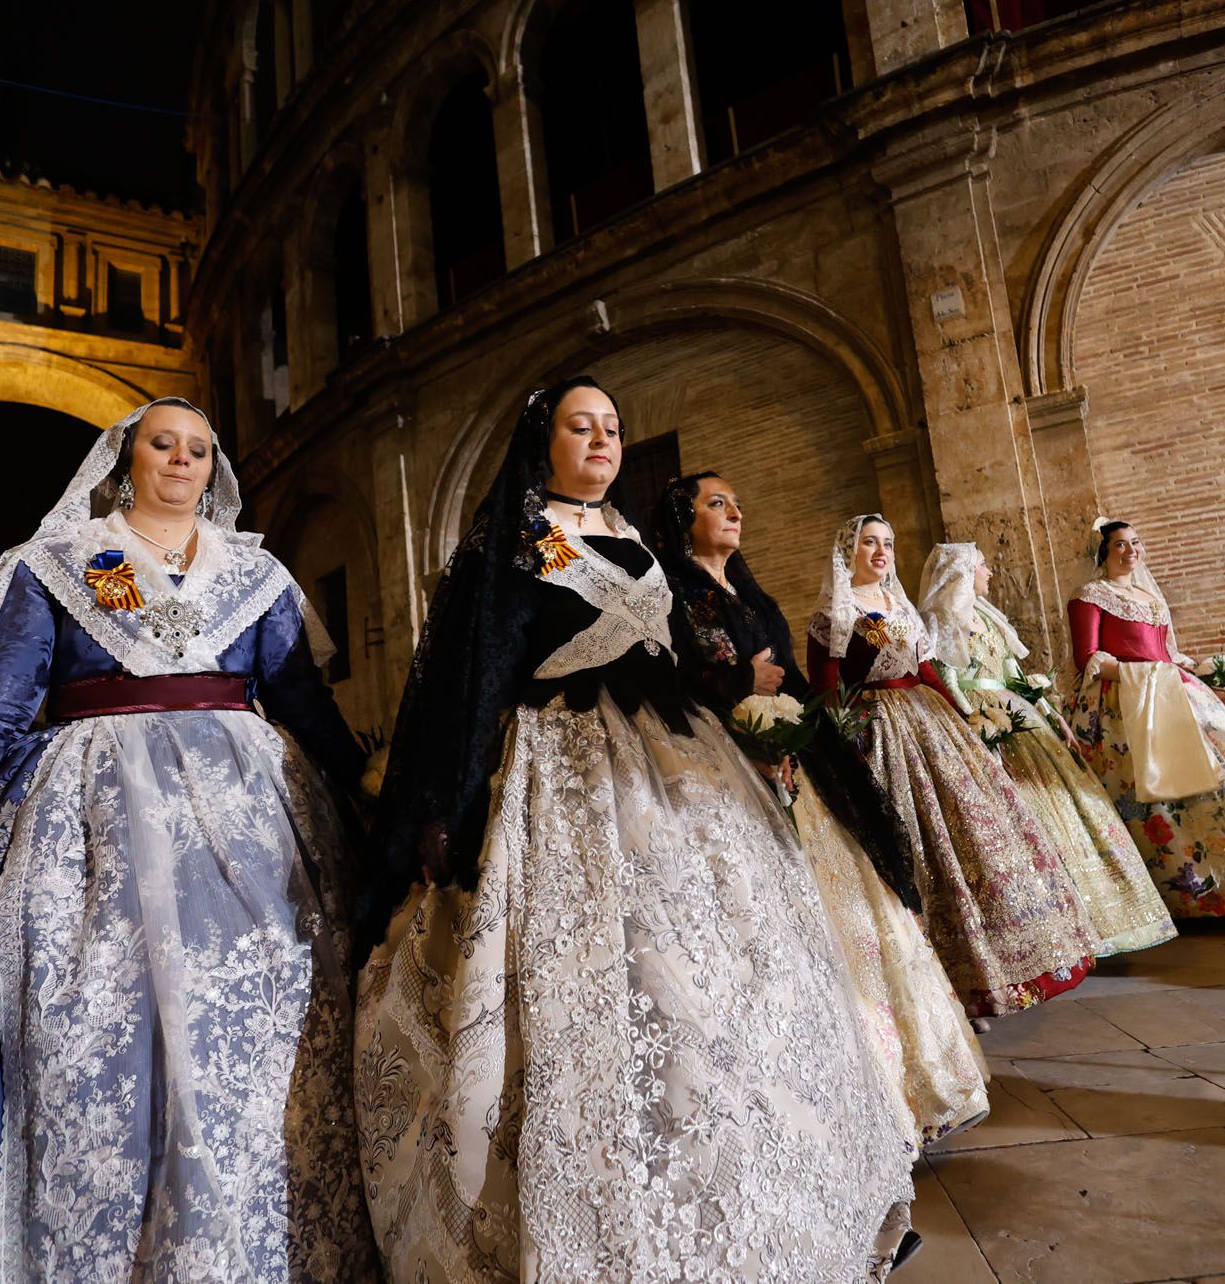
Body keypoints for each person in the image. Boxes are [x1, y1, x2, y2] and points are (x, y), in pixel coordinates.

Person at [0, 398, 377, 1282]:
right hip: (88, 820)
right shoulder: (54, 564)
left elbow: (303, 702)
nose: (182, 459)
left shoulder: (259, 573)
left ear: (214, 470)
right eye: (162, 443)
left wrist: (365, 803)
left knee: (267, 1022)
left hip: (253, 825)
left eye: (200, 448)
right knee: (93, 1029)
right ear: (125, 459)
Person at [356, 381, 916, 1281]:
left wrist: (743, 698)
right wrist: (446, 805)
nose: (602, 440)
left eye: (612, 428)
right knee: (619, 969)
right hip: (567, 772)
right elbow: (474, 676)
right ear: (544, 443)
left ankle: (763, 1174)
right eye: (581, 427)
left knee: (728, 963)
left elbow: (679, 656)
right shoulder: (512, 544)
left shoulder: (638, 541)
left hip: (679, 764)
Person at [650, 472, 988, 1151]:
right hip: (728, 771)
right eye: (717, 502)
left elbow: (801, 685)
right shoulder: (675, 595)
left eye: (733, 498)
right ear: (682, 517)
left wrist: (803, 736)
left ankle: (918, 1087)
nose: (735, 509)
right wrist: (745, 691)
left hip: (793, 769)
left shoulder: (748, 591)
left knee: (864, 920)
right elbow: (674, 678)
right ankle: (848, 1118)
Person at [807, 515, 1099, 1019]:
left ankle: (991, 977)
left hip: (930, 720)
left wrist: (966, 718)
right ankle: (942, 992)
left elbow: (926, 670)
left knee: (974, 835)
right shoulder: (836, 610)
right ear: (848, 551)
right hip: (877, 728)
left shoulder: (898, 604)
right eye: (870, 543)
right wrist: (844, 744)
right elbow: (827, 684)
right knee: (914, 841)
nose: (881, 552)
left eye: (889, 544)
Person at [919, 544, 1176, 956]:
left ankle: (1103, 921)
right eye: (983, 564)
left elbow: (1013, 674)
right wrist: (971, 725)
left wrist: (1048, 712)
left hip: (1019, 715)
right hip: (982, 720)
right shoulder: (941, 620)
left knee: (1067, 808)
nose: (990, 572)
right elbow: (946, 677)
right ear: (963, 571)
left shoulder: (989, 617)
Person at [1065, 519, 1225, 922]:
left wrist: (1203, 681)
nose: (1131, 551)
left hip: (1172, 691)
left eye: (1135, 542)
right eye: (1119, 545)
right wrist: (1152, 677)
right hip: (1123, 707)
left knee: (1223, 785)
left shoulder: (1151, 599)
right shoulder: (1089, 596)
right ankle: (1184, 900)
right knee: (1157, 804)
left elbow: (1167, 653)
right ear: (1102, 553)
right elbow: (1087, 659)